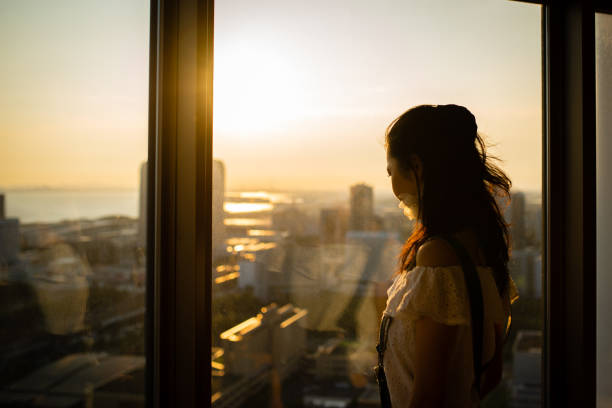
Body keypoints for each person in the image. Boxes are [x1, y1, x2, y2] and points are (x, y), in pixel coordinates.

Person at [377, 104, 519, 408]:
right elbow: (490, 374)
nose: (392, 187)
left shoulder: (437, 257)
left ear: (416, 166)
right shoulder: (482, 247)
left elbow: (429, 397)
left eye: (391, 172)